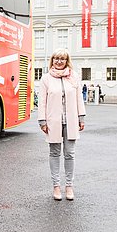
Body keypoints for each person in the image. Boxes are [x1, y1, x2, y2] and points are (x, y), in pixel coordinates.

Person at [37, 49, 86, 201]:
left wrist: (81, 117)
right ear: (52, 60)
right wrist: (42, 121)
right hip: (53, 121)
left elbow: (79, 98)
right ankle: (56, 186)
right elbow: (42, 101)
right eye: (56, 58)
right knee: (54, 153)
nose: (59, 61)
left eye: (62, 59)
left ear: (67, 61)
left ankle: (69, 186)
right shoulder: (46, 78)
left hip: (71, 120)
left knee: (70, 154)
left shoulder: (74, 76)